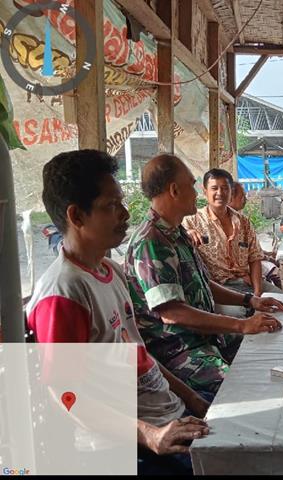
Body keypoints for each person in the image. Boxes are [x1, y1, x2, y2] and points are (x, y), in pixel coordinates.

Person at [26, 150, 210, 474]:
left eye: (121, 202)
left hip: (166, 416)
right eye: (111, 205)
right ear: (77, 216)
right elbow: (65, 393)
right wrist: (150, 435)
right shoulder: (64, 292)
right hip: (122, 447)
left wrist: (193, 399)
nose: (125, 214)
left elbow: (139, 354)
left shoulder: (110, 270)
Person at [124, 154, 283, 396]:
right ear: (174, 190)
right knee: (246, 389)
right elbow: (172, 313)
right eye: (192, 186)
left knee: (272, 344)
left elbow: (201, 283)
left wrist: (250, 300)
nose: (196, 193)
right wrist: (241, 325)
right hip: (180, 350)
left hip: (206, 337)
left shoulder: (175, 233)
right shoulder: (152, 242)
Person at [183, 169, 281, 296]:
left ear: (230, 192)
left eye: (225, 188)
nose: (220, 193)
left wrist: (257, 292)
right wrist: (187, 233)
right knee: (243, 309)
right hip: (218, 289)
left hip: (248, 283)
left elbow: (255, 258)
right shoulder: (191, 222)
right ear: (205, 191)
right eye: (214, 188)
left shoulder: (244, 222)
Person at [228, 182, 282, 289]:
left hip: (251, 265)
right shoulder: (225, 224)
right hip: (243, 270)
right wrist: (268, 258)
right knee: (276, 271)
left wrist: (268, 254)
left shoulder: (242, 220)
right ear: (230, 198)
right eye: (242, 197)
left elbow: (252, 249)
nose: (245, 200)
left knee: (278, 263)